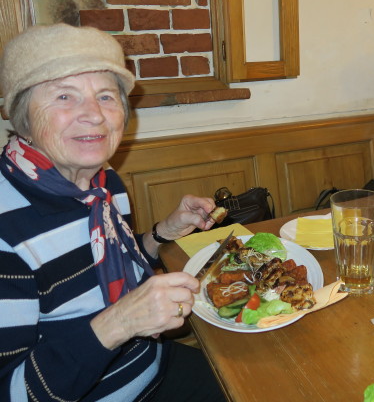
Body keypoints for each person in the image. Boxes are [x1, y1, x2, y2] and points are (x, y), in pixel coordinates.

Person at [0, 24, 225, 401]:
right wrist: (119, 322)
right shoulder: (7, 227)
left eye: (106, 96)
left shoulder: (105, 184)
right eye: (64, 97)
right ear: (22, 116)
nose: (94, 115)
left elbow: (96, 269)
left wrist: (161, 233)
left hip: (152, 365)